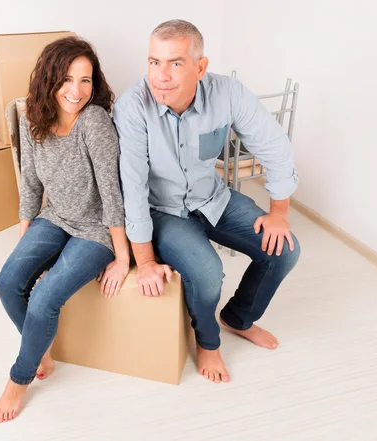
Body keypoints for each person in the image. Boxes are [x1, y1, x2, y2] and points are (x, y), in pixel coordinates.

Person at [113, 19, 301, 384]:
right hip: (163, 211)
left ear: (200, 66)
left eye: (175, 63)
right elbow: (131, 187)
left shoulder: (228, 93)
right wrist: (146, 260)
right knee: (207, 272)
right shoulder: (132, 106)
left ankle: (238, 319)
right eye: (154, 62)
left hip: (212, 199)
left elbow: (276, 148)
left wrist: (279, 212)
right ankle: (209, 342)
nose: (161, 76)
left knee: (285, 250)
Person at [0, 36, 130, 422]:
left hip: (96, 228)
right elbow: (31, 185)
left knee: (44, 298)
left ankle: (18, 380)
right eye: (68, 79)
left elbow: (111, 192)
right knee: (7, 281)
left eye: (86, 80)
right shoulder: (31, 117)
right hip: (55, 217)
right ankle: (42, 352)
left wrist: (123, 256)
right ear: (49, 79)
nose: (77, 90)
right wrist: (24, 238)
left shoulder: (95, 121)